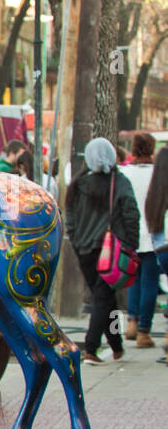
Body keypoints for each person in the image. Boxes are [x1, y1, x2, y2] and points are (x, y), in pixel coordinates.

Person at [65, 138, 140, 364]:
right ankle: (91, 346)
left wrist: (77, 242)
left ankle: (116, 345)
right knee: (103, 298)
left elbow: (70, 217)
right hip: (112, 251)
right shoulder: (119, 182)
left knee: (106, 298)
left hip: (85, 250)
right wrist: (131, 244)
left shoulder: (78, 184)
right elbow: (131, 214)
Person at [127, 135, 166, 347]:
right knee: (150, 282)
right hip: (153, 234)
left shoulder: (125, 172)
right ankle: (144, 331)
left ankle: (131, 321)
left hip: (131, 235)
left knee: (133, 279)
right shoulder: (157, 173)